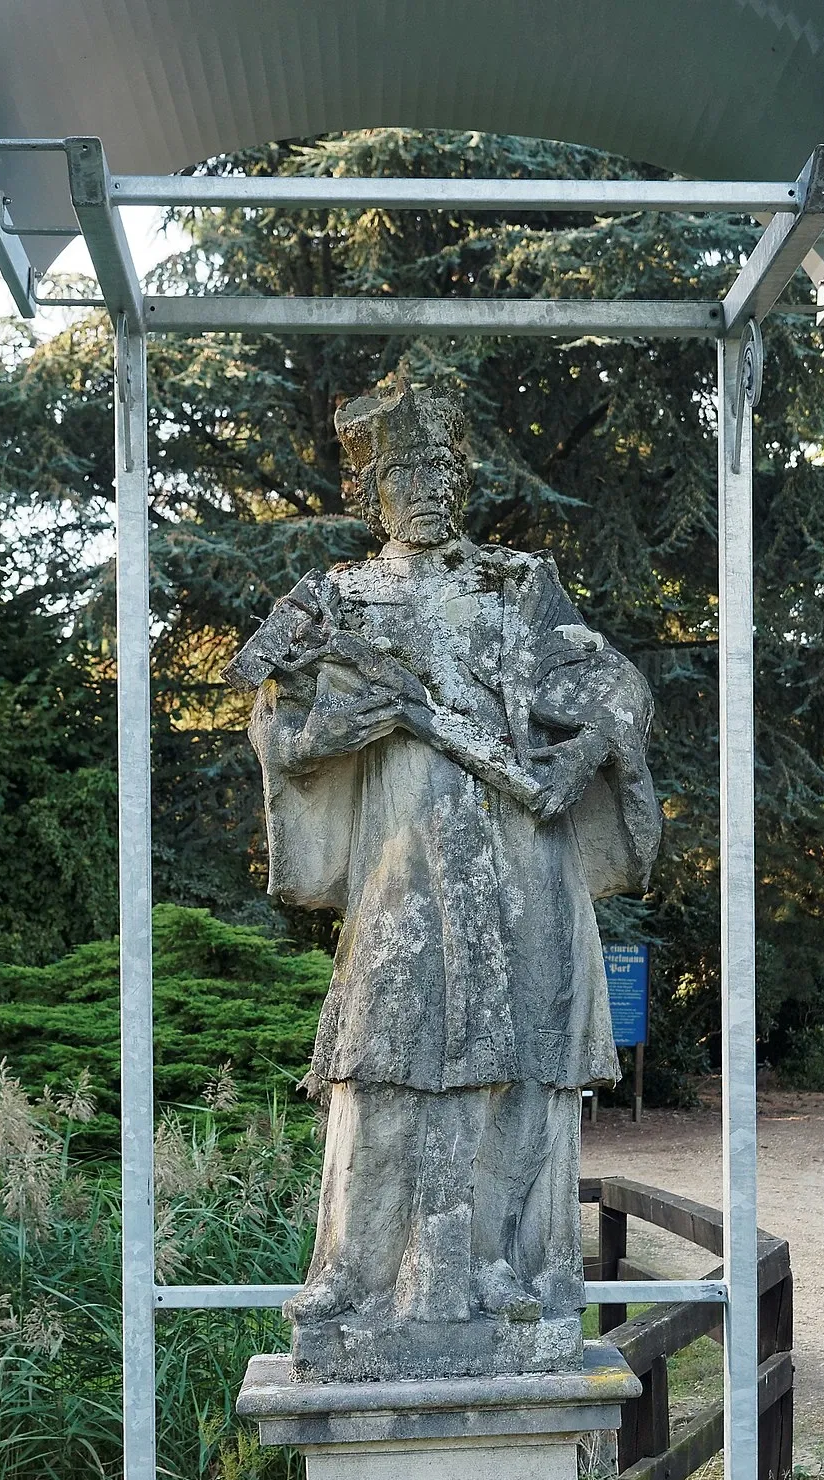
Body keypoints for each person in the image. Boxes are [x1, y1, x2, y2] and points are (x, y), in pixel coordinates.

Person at [227, 372, 660, 1379]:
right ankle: (354, 1269)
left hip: (518, 862)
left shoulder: (514, 587)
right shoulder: (337, 599)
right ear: (376, 491)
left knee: (511, 1064)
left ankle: (505, 1266)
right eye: (411, 471)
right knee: (378, 1057)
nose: (431, 486)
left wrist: (583, 748)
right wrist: (347, 722)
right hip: (402, 862)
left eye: (446, 469)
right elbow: (278, 728)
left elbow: (617, 686)